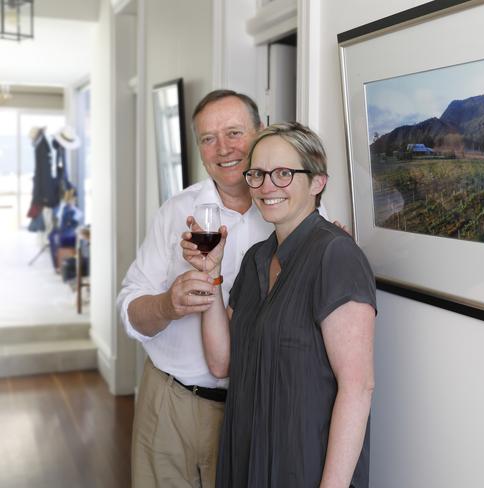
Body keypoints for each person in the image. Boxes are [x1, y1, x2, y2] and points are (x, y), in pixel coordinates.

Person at [117, 90, 329, 487]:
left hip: (259, 409)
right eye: (208, 138)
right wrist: (167, 305)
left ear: (261, 132)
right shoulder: (177, 211)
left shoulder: (302, 215)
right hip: (172, 404)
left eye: (234, 132)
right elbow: (130, 307)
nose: (223, 149)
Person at [181, 122, 376, 487]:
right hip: (248, 451)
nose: (267, 186)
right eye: (257, 173)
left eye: (284, 173)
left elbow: (358, 387)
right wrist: (211, 274)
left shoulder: (336, 255)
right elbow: (222, 362)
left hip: (304, 463)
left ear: (317, 182)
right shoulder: (257, 256)